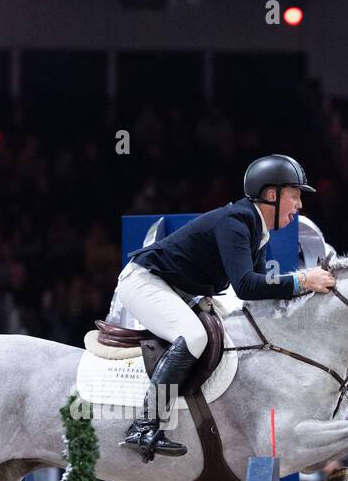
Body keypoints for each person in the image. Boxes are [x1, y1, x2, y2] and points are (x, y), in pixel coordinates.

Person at [115, 154, 336, 460]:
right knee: (194, 336)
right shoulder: (235, 223)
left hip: (179, 289)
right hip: (144, 282)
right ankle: (144, 425)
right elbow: (246, 284)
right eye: (295, 196)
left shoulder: (257, 229)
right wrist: (301, 281)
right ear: (272, 195)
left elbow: (255, 292)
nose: (299, 205)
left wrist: (305, 294)